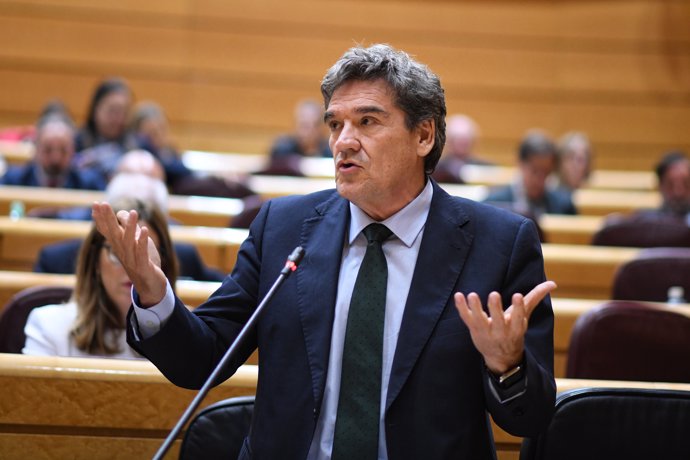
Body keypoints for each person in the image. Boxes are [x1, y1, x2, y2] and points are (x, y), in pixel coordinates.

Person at [93, 44, 556, 459]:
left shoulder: (499, 244)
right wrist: (155, 296)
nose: (343, 142)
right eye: (335, 124)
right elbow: (203, 359)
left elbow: (530, 419)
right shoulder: (283, 228)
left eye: (367, 122)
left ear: (424, 136)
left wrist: (507, 366)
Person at [23, 200, 178, 358]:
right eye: (117, 253)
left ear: (164, 264)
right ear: (95, 261)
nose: (130, 266)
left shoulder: (188, 334)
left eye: (144, 254)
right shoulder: (48, 326)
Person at [34, 171, 225, 282]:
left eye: (144, 249)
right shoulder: (57, 259)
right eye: (117, 253)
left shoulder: (183, 257)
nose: (131, 266)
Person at [0, 112, 105, 190]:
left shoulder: (90, 183)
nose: (56, 158)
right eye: (48, 149)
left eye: (63, 150)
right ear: (36, 148)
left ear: (73, 149)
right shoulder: (12, 180)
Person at [485, 130, 577, 217]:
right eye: (535, 171)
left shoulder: (564, 206)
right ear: (520, 164)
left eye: (546, 172)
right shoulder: (494, 204)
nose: (540, 178)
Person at [73, 77, 140, 181]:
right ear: (96, 109)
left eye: (124, 112)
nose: (119, 119)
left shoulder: (138, 145)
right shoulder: (76, 142)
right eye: (113, 111)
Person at [128, 101, 193, 189]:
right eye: (152, 133)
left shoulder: (170, 150)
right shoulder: (137, 156)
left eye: (162, 129)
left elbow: (185, 172)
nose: (159, 136)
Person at [432, 114, 493, 183]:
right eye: (456, 138)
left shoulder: (487, 168)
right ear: (448, 140)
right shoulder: (435, 169)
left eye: (465, 139)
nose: (461, 143)